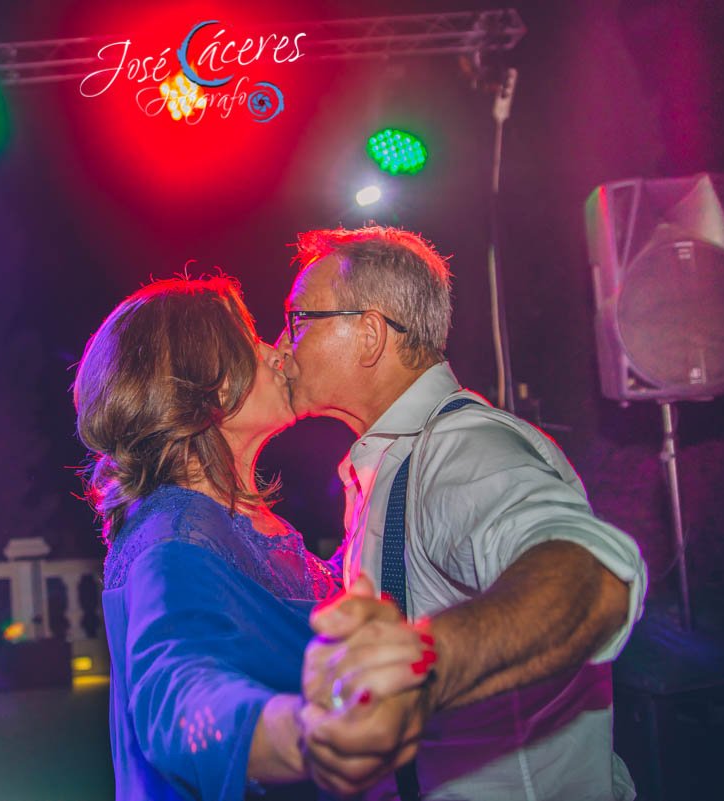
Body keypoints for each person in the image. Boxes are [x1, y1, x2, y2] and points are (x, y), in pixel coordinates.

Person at [275, 226, 648, 800]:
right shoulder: (389, 459)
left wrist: (422, 665)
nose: (282, 345)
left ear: (370, 335)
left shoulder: (461, 446)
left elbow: (589, 575)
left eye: (299, 320)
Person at [73, 275, 436, 800]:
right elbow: (178, 695)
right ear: (213, 389)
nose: (276, 353)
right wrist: (305, 737)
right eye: (253, 344)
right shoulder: (174, 533)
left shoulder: (236, 523)